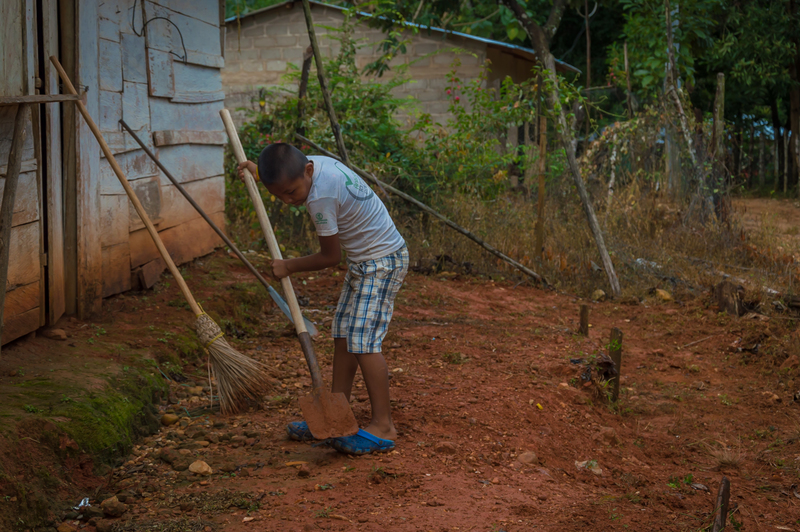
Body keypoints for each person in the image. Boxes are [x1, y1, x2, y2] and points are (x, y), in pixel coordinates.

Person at [237, 143, 408, 455]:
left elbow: (330, 256)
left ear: (309, 172)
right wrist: (256, 171)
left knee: (363, 341)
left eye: (291, 192)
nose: (289, 201)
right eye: (280, 196)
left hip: (382, 262)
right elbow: (286, 175)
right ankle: (336, 413)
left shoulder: (320, 198)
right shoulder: (310, 166)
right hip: (365, 262)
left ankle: (383, 425)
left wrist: (288, 266)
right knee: (343, 335)